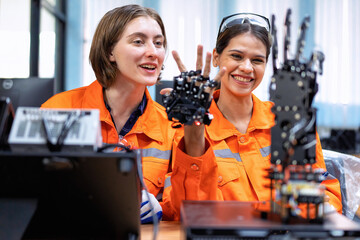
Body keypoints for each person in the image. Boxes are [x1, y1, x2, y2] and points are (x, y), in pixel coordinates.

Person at [160, 13, 342, 221]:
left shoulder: (292, 122)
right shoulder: (187, 129)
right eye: (236, 56)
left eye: (257, 60)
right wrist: (194, 131)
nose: (247, 68)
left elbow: (326, 193)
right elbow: (185, 209)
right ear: (217, 57)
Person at [41, 4, 177, 223]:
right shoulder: (58, 109)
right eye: (138, 41)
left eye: (158, 43)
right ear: (109, 52)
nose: (153, 52)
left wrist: (159, 206)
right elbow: (32, 190)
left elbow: (185, 203)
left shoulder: (172, 126)